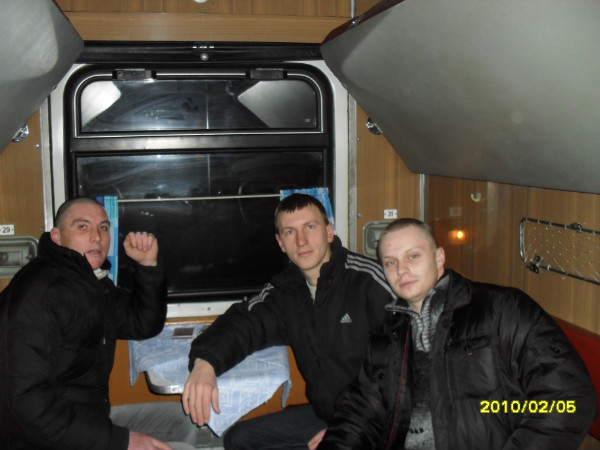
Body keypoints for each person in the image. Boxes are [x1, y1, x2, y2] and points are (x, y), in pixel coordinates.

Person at [317, 218, 598, 450]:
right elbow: (360, 412)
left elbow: (570, 399)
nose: (402, 270)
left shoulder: (502, 311)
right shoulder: (388, 335)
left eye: (413, 256)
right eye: (390, 262)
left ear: (439, 257)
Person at [183, 193, 395, 450]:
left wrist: (353, 427)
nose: (301, 241)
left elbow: (402, 372)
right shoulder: (286, 291)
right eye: (290, 232)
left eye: (310, 227)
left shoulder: (368, 282)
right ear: (280, 243)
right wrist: (204, 363)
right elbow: (242, 323)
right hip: (328, 414)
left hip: (378, 422)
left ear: (329, 232)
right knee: (239, 440)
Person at [0, 197, 200, 450]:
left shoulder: (91, 284)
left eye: (103, 228)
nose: (96, 237)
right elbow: (22, 405)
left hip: (87, 418)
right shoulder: (37, 296)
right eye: (82, 226)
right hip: (42, 438)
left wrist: (148, 266)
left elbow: (142, 323)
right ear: (57, 237)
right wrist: (119, 441)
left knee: (182, 420)